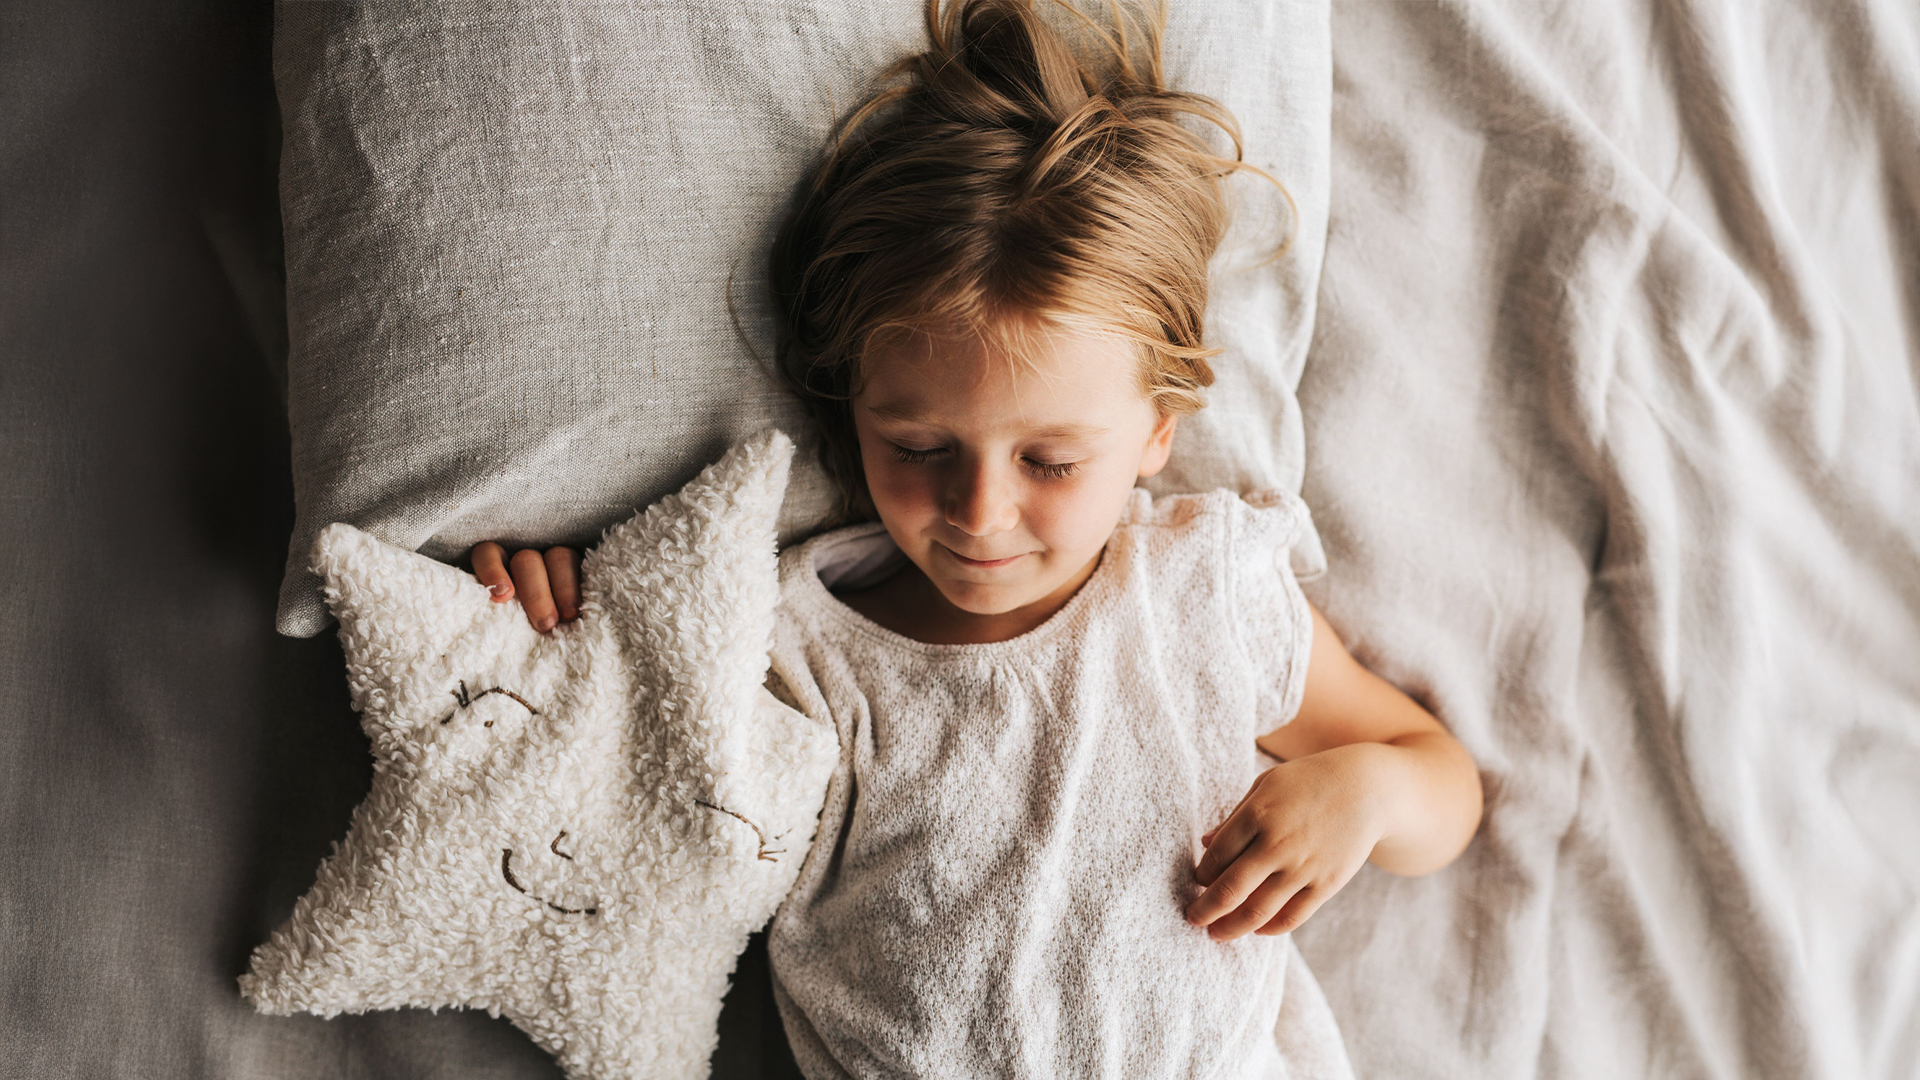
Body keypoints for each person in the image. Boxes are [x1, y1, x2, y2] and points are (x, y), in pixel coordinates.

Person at [470, 1, 1483, 1076]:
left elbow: (1442, 787)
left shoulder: (1204, 593)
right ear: (853, 406)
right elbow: (633, 816)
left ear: (1156, 429)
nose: (979, 513)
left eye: (1049, 462)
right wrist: (548, 633)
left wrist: (1364, 793)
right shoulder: (787, 645)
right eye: (916, 447)